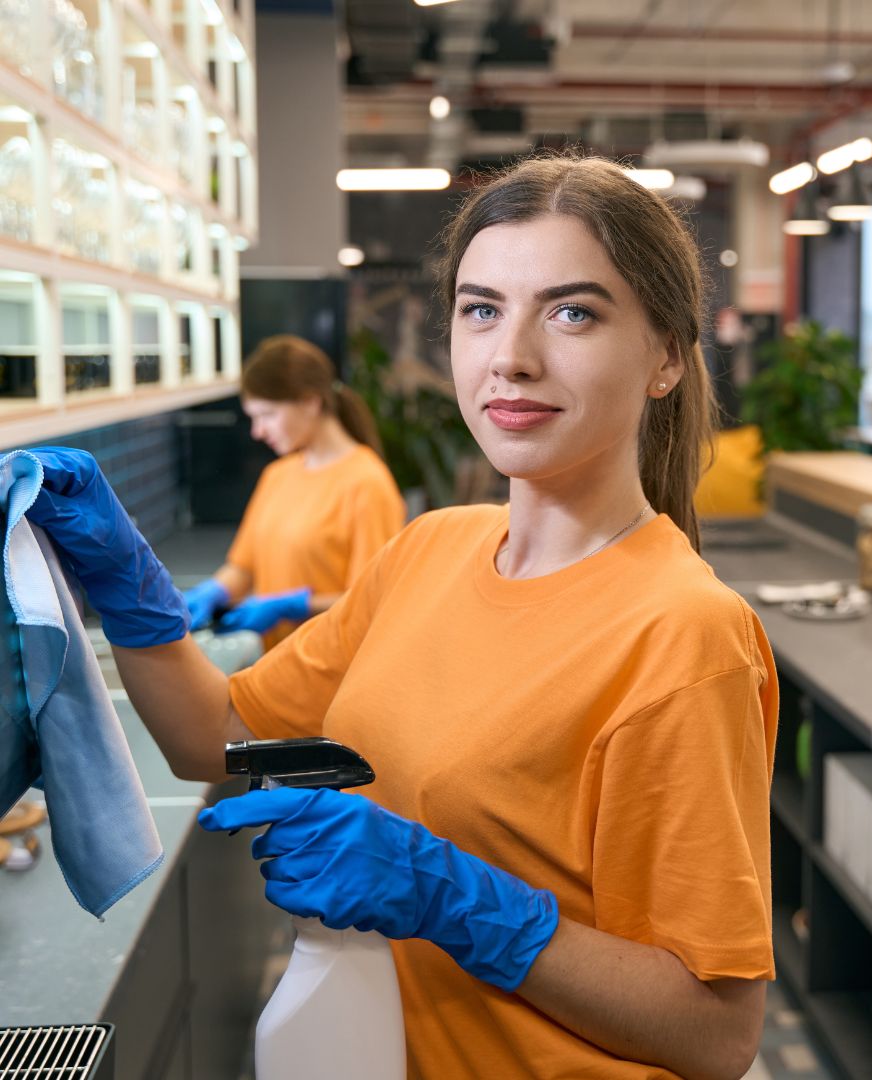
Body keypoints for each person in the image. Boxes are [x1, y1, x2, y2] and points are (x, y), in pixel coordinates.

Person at [28, 153, 778, 1080]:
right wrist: (124, 581)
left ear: (667, 353)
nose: (512, 356)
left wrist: (456, 898)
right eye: (482, 308)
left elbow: (716, 1036)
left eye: (573, 311)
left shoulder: (684, 634)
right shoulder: (431, 551)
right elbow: (212, 734)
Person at [183, 335, 406, 649]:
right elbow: (242, 567)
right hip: (275, 664)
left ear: (311, 401)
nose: (257, 431)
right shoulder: (277, 475)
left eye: (267, 415)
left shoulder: (368, 483)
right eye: (253, 418)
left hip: (330, 673)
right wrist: (215, 590)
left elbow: (370, 601)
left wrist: (294, 607)